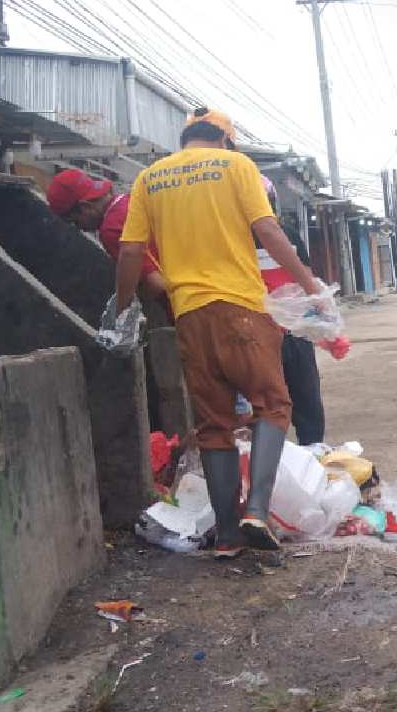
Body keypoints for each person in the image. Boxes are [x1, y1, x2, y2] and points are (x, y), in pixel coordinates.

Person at [115, 107, 320, 557]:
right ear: (225, 140)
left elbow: (130, 250)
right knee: (272, 405)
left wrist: (124, 306)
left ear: (186, 136)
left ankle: (227, 536)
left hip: (188, 316)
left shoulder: (150, 178)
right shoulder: (237, 166)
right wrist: (309, 284)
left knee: (213, 426)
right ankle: (257, 512)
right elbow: (266, 228)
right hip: (242, 310)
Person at [257, 178, 326, 447]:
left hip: (262, 335)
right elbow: (307, 276)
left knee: (267, 408)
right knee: (305, 405)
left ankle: (271, 468)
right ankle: (310, 458)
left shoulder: (230, 239)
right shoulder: (286, 233)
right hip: (288, 332)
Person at [46, 169, 168, 301]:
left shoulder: (110, 229)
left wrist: (124, 310)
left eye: (75, 221)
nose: (80, 228)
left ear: (85, 207)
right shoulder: (130, 201)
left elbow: (157, 284)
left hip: (185, 307)